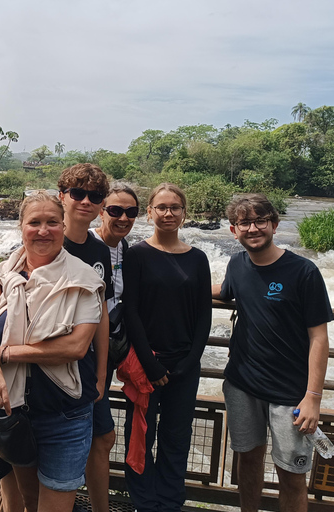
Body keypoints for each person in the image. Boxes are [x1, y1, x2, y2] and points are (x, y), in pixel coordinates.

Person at [0, 191, 105, 512]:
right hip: (15, 414)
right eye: (34, 223)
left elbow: (75, 346)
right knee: (30, 501)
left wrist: (4, 354)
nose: (43, 230)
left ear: (64, 226)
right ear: (20, 228)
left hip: (65, 414)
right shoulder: (2, 274)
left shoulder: (83, 278)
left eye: (52, 222)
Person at [212, 193, 333, 512]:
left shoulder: (303, 272)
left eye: (260, 221)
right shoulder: (237, 263)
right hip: (242, 385)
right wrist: (175, 281)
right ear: (233, 230)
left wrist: (312, 397)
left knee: (291, 475)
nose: (253, 228)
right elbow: (224, 292)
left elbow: (319, 338)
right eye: (244, 223)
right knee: (247, 462)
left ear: (274, 225)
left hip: (290, 394)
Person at [122, 183, 212, 512]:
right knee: (141, 437)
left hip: (185, 366)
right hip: (147, 363)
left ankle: (170, 503)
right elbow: (130, 312)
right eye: (161, 207)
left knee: (177, 437)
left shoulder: (198, 259)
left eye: (175, 207)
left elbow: (204, 314)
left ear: (184, 214)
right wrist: (150, 364)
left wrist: (190, 361)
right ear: (149, 213)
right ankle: (143, 503)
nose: (168, 212)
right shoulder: (137, 255)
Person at [57, 164, 114, 512]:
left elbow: (102, 314)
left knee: (103, 437)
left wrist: (103, 371)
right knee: (52, 445)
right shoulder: (47, 240)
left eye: (94, 196)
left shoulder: (99, 251)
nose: (85, 201)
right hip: (49, 362)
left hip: (88, 363)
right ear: (62, 196)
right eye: (77, 193)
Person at [88, 183, 139, 510]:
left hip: (107, 357)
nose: (123, 218)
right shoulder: (85, 244)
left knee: (97, 438)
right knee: (103, 436)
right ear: (101, 210)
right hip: (82, 359)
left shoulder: (125, 248)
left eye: (131, 212)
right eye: (115, 210)